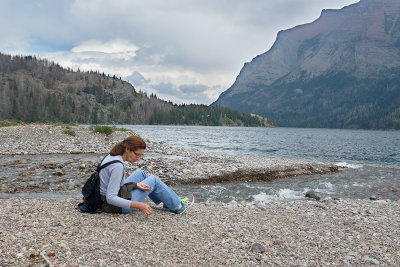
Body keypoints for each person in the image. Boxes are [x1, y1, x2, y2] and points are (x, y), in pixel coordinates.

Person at [99, 135, 190, 216]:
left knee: (140, 173)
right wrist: (139, 205)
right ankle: (177, 206)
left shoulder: (112, 156)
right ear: (127, 149)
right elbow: (111, 198)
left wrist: (136, 185)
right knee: (154, 180)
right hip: (115, 206)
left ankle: (167, 201)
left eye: (141, 155)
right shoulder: (118, 166)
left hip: (109, 197)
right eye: (137, 154)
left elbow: (116, 185)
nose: (138, 158)